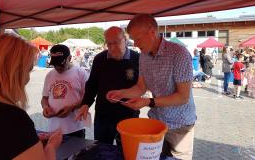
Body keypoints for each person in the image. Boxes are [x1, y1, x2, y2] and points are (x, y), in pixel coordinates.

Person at [107, 14, 196, 160]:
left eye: (137, 39)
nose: (135, 44)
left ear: (152, 32)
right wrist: (120, 93)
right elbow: (140, 87)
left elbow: (183, 97)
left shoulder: (179, 54)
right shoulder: (143, 56)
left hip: (180, 125)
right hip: (156, 123)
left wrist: (148, 102)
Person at [0, 34, 62, 160]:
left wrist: (27, 142)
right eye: (28, 70)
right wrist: (51, 146)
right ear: (14, 72)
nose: (28, 78)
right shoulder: (11, 118)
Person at [76, 26, 140, 145]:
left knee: (127, 150)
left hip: (128, 115)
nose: (112, 47)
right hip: (103, 116)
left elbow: (141, 87)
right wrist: (85, 104)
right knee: (101, 149)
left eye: (116, 43)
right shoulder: (100, 59)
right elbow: (92, 85)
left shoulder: (138, 59)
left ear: (125, 40)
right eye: (108, 44)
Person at [41, 44, 88, 140]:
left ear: (70, 58)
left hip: (75, 128)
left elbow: (87, 97)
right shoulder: (49, 75)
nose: (58, 67)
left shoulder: (81, 73)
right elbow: (44, 98)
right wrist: (45, 107)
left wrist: (72, 107)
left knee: (77, 154)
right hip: (53, 128)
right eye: (55, 64)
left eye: (61, 64)